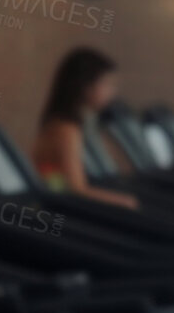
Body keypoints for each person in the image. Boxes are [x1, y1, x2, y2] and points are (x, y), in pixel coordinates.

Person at [31, 48, 139, 210]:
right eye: (107, 84)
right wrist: (125, 202)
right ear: (85, 86)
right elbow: (76, 189)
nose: (112, 93)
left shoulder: (66, 124)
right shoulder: (66, 130)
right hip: (58, 210)